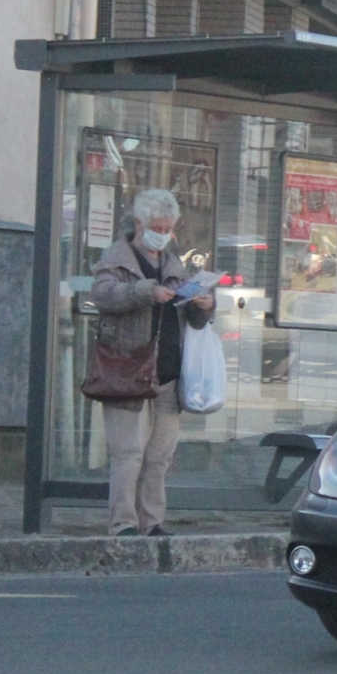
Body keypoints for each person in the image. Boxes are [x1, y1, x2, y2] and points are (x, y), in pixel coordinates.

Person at [92, 187, 214, 537]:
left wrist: (202, 306)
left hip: (166, 372)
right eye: (158, 227)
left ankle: (152, 522)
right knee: (128, 453)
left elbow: (191, 319)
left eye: (168, 228)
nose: (164, 234)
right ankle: (123, 523)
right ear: (140, 223)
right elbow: (102, 294)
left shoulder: (173, 263)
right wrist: (145, 291)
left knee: (159, 455)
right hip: (126, 369)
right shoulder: (116, 258)